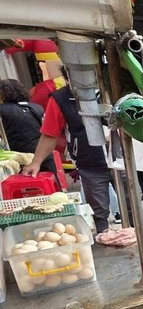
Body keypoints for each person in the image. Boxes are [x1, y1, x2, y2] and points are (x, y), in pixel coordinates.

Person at [22, 76, 116, 233]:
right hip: (89, 163)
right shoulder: (61, 98)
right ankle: (104, 236)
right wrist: (36, 162)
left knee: (132, 205)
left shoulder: (113, 87)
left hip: (123, 160)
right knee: (99, 212)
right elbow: (49, 134)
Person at [0, 79, 58, 178]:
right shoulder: (37, 107)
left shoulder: (2, 110)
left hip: (21, 160)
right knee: (50, 187)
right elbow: (47, 132)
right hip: (44, 155)